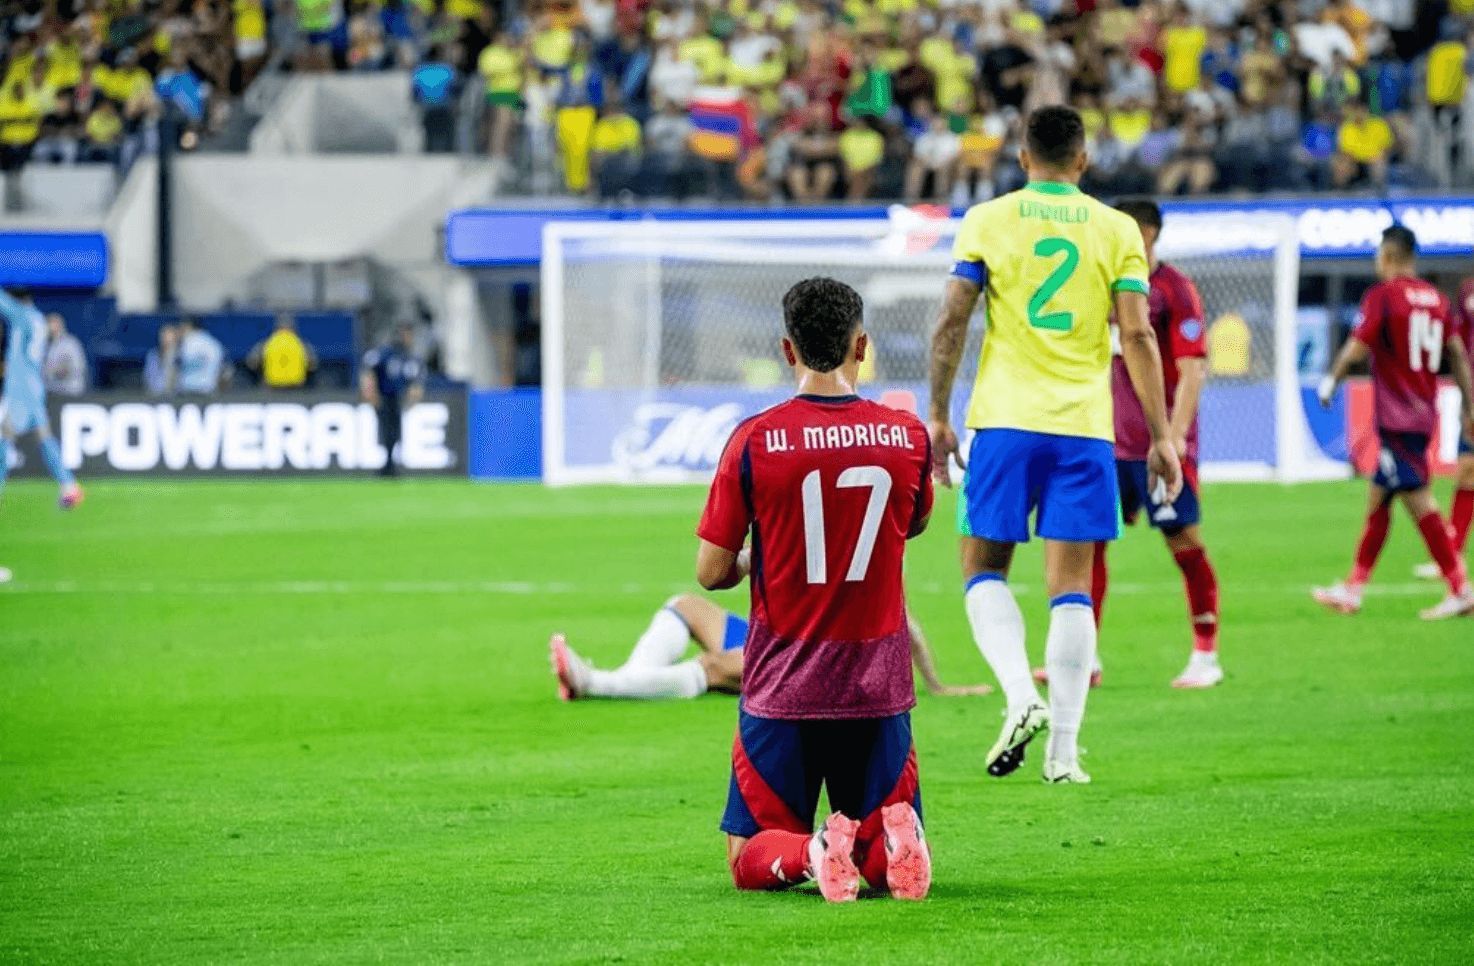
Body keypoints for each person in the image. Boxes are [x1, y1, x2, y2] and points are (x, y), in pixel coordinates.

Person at [927, 106, 1180, 785]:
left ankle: (1020, 695)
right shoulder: (1117, 228)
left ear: (1021, 155)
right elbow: (1138, 335)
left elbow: (952, 319)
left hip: (1004, 422)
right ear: (1083, 159)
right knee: (1071, 587)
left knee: (982, 569)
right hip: (1085, 429)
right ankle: (1063, 755)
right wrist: (1161, 436)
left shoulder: (988, 219)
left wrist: (938, 415)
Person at [696, 277, 934, 903]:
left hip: (785, 684)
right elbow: (911, 524)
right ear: (862, 346)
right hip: (878, 685)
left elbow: (711, 572)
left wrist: (760, 555)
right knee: (881, 836)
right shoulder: (907, 436)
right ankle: (891, 844)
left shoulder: (754, 440)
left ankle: (816, 850)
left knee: (748, 854)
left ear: (787, 349)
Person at [1035, 200, 1223, 691]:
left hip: (1157, 447)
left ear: (1149, 233)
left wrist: (1174, 436)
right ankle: (1085, 657)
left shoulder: (1174, 289)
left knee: (1184, 543)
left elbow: (1193, 368)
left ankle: (1205, 655)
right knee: (1086, 546)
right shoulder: (1102, 286)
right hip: (1104, 444)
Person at [1313, 226, 1474, 621]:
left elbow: (1357, 346)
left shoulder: (1383, 296)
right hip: (1424, 412)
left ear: (1387, 256)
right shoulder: (1437, 300)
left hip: (1397, 416)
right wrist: (1470, 406)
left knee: (1418, 499)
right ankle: (1353, 588)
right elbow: (1457, 354)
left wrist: (1331, 380)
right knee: (1380, 496)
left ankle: (1460, 588)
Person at [551, 595, 991, 701]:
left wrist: (935, 685)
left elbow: (902, 619)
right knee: (684, 605)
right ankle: (628, 678)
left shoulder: (855, 553)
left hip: (806, 660)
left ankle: (596, 683)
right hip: (768, 634)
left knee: (714, 667)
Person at [0, 288, 83, 509]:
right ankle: (69, 485)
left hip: (19, 390)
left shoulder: (22, 315)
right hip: (34, 387)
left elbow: (4, 304)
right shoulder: (38, 319)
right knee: (44, 437)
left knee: (3, 439)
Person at [360, 323, 424, 477]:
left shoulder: (407, 356)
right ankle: (388, 464)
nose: (409, 338)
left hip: (397, 398)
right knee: (387, 431)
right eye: (406, 334)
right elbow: (369, 370)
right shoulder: (386, 353)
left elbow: (414, 381)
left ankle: (389, 464)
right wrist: (371, 392)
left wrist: (412, 397)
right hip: (384, 397)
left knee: (394, 432)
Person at [247, 315, 316, 389]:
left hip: (272, 388)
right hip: (296, 388)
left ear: (276, 328)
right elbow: (313, 365)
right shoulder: (302, 345)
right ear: (294, 328)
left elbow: (252, 364)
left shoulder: (265, 344)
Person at [176, 317, 225, 395]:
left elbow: (183, 362)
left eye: (182, 328)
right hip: (208, 389)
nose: (180, 331)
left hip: (190, 390)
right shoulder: (213, 342)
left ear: (188, 327)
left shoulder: (190, 341)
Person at [43, 314, 87, 397]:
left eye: (51, 324)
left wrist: (59, 370)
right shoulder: (45, 345)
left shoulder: (70, 344)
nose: (48, 327)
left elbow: (77, 367)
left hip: (70, 392)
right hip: (51, 391)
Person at [144, 323, 179, 396]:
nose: (164, 338)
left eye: (168, 335)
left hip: (172, 396)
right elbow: (147, 376)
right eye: (163, 335)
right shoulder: (152, 354)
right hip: (152, 395)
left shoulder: (179, 355)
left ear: (175, 338)